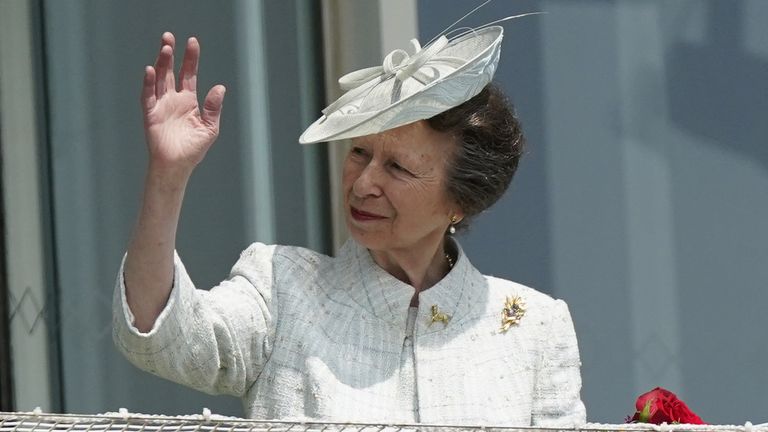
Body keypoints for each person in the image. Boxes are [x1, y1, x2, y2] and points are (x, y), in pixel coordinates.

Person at [113, 23, 586, 426]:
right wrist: (167, 177)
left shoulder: (535, 329)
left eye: (398, 168)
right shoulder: (284, 289)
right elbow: (163, 339)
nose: (363, 184)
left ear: (460, 200)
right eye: (359, 153)